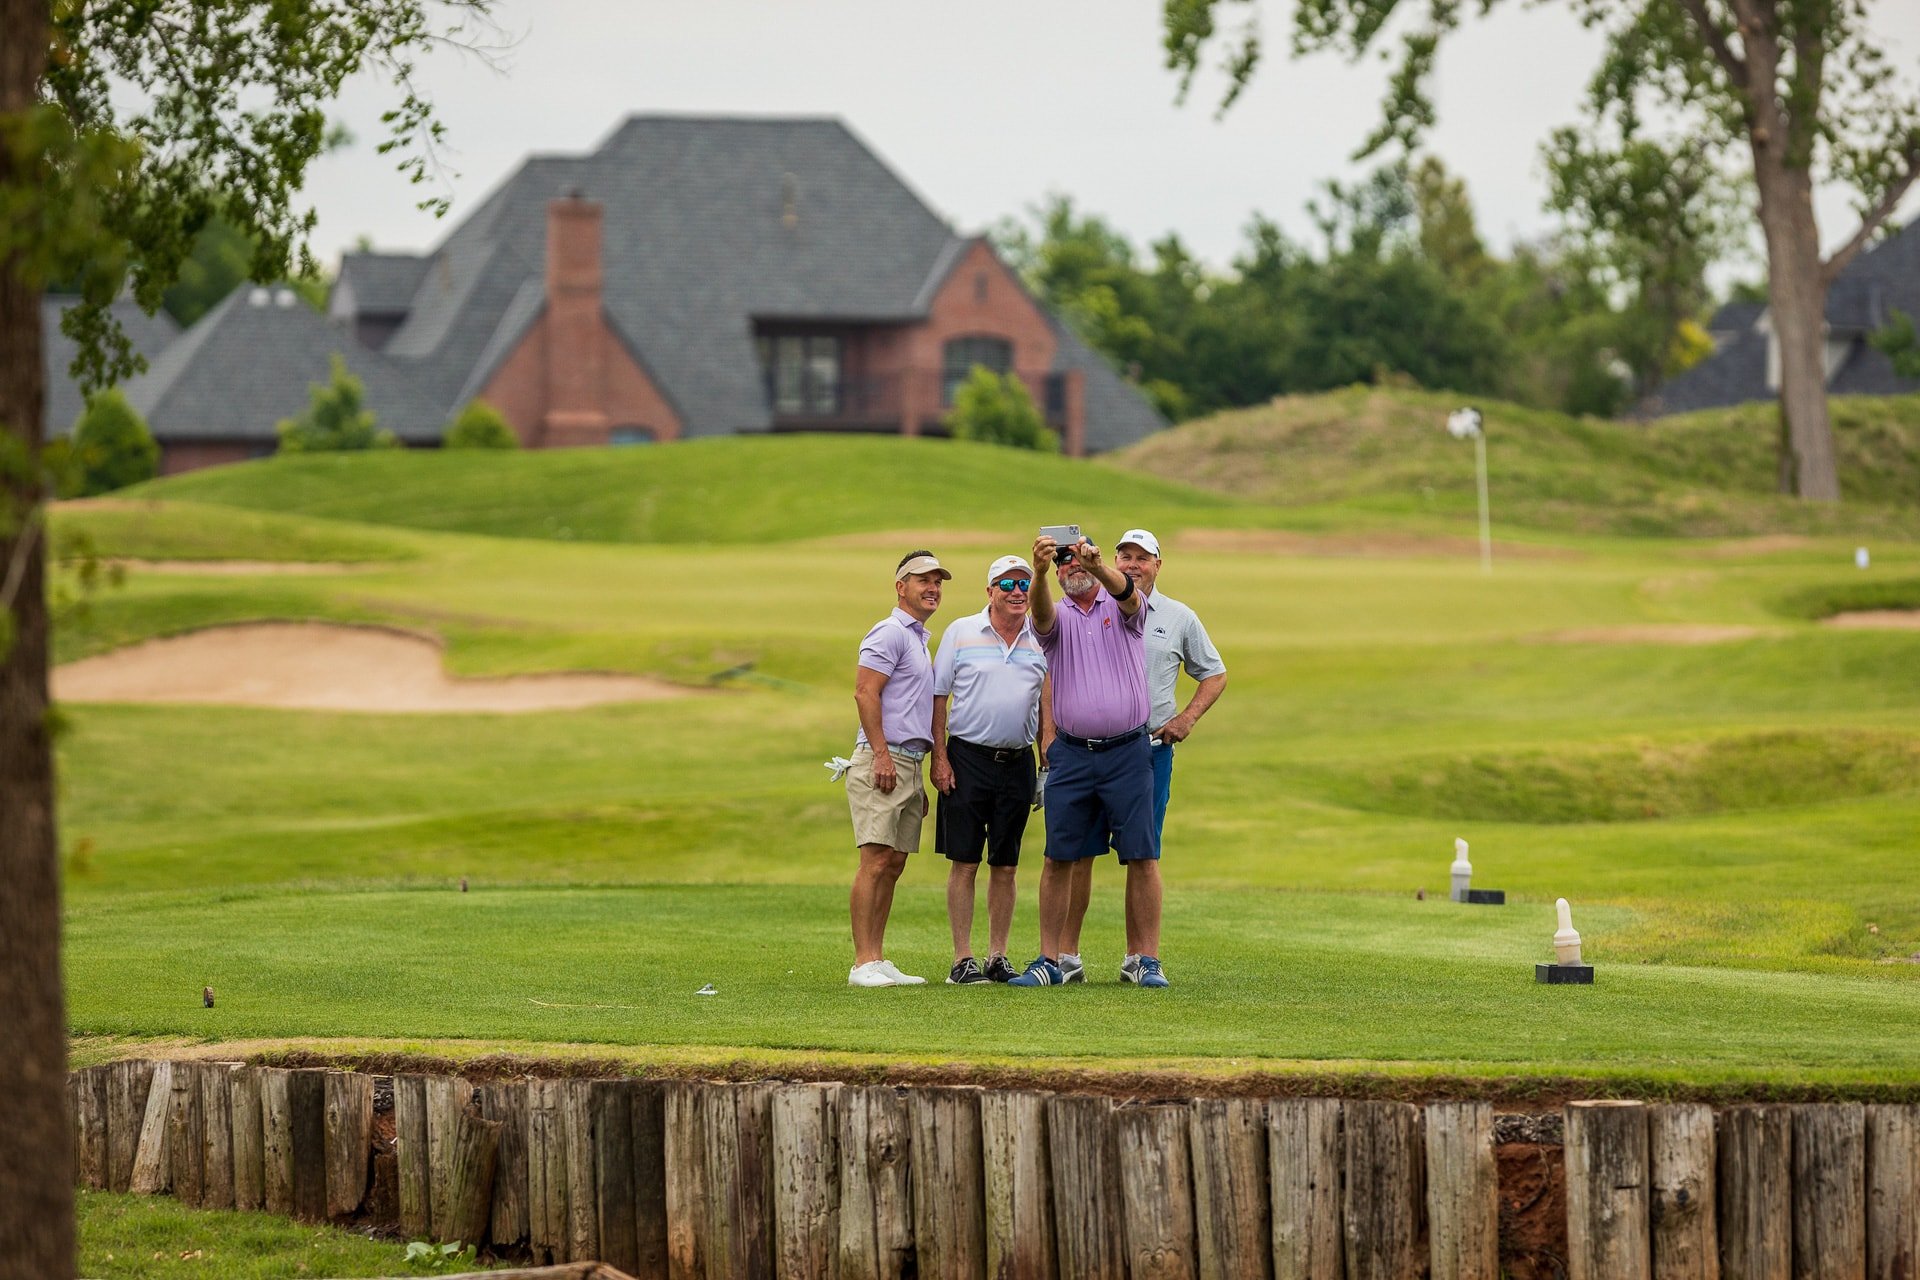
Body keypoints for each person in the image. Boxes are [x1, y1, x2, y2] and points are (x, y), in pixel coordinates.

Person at [1061, 528, 1226, 983]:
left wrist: (1186, 719)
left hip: (1149, 750)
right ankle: (1065, 956)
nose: (1132, 564)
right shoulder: (1094, 607)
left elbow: (1213, 673)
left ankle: (1141, 958)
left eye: (1142, 558)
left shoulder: (1178, 617)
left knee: (1142, 853)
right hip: (1092, 748)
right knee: (1078, 853)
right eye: (1124, 556)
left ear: (1159, 563)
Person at [1008, 531, 1168, 989]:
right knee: (1059, 856)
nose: (1071, 567)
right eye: (1064, 564)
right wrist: (1038, 571)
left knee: (1141, 854)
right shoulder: (1055, 616)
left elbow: (1128, 596)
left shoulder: (1124, 609)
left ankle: (1146, 959)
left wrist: (1096, 565)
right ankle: (1049, 960)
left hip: (1128, 752)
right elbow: (1038, 616)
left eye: (1077, 560)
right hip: (1073, 755)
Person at [930, 555, 1052, 984]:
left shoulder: (1042, 637)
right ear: (990, 591)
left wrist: (1045, 761)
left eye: (1023, 584)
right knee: (964, 861)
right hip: (967, 759)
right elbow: (939, 696)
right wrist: (939, 757)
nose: (1017, 592)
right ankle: (962, 959)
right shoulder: (962, 632)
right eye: (1007, 585)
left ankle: (997, 956)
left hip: (1017, 762)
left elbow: (1045, 702)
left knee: (1006, 864)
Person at [846, 549, 950, 988]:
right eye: (922, 580)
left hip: (908, 761)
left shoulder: (918, 638)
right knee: (874, 859)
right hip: (881, 760)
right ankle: (862, 962)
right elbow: (865, 694)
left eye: (938, 581)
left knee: (894, 862)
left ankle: (878, 956)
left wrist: (914, 772)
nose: (932, 588)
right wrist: (884, 755)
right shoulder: (889, 632)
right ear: (900, 587)